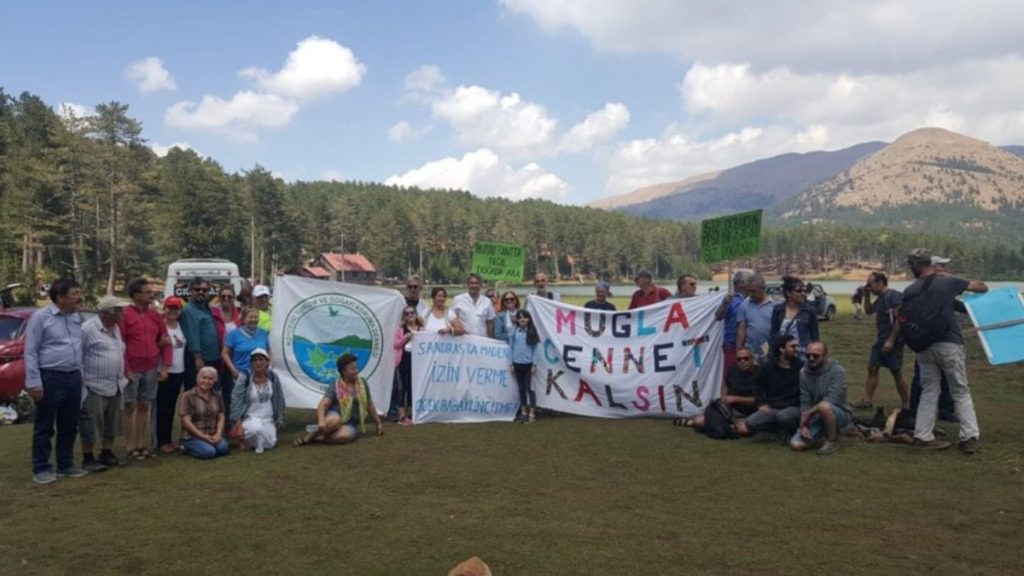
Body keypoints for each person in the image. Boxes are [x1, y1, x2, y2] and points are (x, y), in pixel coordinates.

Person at [889, 249, 987, 453]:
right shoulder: (946, 282)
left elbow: (901, 318)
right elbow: (981, 288)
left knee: (929, 390)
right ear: (931, 264)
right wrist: (953, 278)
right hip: (949, 342)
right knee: (960, 390)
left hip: (923, 346)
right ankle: (969, 436)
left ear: (915, 266)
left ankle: (923, 435)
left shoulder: (910, 290)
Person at [25, 278, 86, 484]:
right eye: (75, 293)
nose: (79, 297)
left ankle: (65, 464)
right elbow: (31, 351)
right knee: (45, 425)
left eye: (79, 292)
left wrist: (81, 374)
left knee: (69, 423)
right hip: (50, 377)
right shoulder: (41, 317)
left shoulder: (77, 317)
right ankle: (41, 467)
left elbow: (79, 347)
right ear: (60, 297)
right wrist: (34, 382)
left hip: (73, 376)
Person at [119, 277, 170, 461]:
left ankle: (142, 443)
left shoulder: (155, 315)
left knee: (144, 405)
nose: (152, 295)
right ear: (136, 295)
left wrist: (165, 366)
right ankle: (130, 445)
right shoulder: (125, 315)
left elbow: (166, 341)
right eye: (147, 292)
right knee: (129, 406)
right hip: (132, 367)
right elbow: (121, 344)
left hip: (150, 367)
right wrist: (126, 369)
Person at [78, 296, 129, 472]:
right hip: (94, 384)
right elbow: (78, 355)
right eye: (118, 310)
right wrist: (82, 379)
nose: (122, 314)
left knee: (112, 421)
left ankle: (106, 452)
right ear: (107, 312)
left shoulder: (116, 328)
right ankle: (88, 457)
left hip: (115, 383)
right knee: (90, 421)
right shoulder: (87, 329)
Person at [294, 353, 384, 446]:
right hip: (335, 414)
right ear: (343, 371)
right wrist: (321, 420)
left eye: (356, 368)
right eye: (352, 369)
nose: (356, 371)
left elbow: (369, 405)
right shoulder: (335, 385)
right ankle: (307, 438)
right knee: (334, 421)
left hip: (351, 422)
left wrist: (378, 422)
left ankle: (321, 437)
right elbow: (323, 405)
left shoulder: (363, 383)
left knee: (344, 436)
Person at [856, 272, 909, 410]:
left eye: (870, 284)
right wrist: (866, 294)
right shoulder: (880, 299)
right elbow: (868, 311)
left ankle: (906, 404)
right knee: (872, 368)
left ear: (880, 283)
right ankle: (867, 401)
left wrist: (891, 340)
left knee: (896, 372)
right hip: (880, 339)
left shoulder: (893, 296)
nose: (869, 287)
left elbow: (901, 319)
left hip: (893, 340)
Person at [789, 342, 852, 455]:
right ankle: (819, 433)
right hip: (815, 416)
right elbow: (805, 400)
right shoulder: (803, 373)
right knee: (796, 444)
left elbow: (832, 399)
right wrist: (804, 425)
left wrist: (808, 413)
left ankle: (831, 440)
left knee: (824, 406)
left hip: (839, 412)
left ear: (826, 355)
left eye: (816, 355)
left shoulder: (838, 372)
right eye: (808, 356)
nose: (811, 358)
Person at [734, 335, 802, 437]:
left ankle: (794, 433)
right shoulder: (768, 367)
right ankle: (777, 431)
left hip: (794, 407)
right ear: (782, 349)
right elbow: (758, 387)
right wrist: (761, 404)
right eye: (792, 346)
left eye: (796, 346)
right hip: (774, 407)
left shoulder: (801, 366)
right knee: (750, 422)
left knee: (783, 416)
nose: (796, 349)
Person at [675, 346, 759, 428]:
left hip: (748, 413)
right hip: (729, 410)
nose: (742, 361)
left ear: (752, 359)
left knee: (743, 430)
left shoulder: (760, 374)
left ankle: (723, 426)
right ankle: (727, 426)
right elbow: (725, 384)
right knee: (699, 422)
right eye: (739, 359)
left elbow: (759, 400)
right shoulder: (733, 370)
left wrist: (735, 399)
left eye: (746, 358)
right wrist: (724, 397)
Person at [229, 348, 284, 453]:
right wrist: (238, 423)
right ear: (251, 363)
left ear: (267, 362)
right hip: (250, 417)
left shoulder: (273, 377)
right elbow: (236, 401)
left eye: (261, 359)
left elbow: (279, 398)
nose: (258, 363)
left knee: (271, 443)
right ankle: (245, 438)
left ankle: (251, 442)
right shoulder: (244, 379)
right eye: (255, 360)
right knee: (256, 429)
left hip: (268, 418)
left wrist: (279, 417)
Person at [156, 296, 187, 454]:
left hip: (179, 371)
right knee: (163, 408)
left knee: (172, 407)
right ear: (164, 308)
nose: (172, 311)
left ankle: (168, 439)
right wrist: (161, 344)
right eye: (170, 308)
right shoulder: (160, 326)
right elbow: (154, 347)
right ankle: (161, 441)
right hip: (165, 372)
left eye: (176, 308)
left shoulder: (180, 326)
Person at [177, 366, 229, 459]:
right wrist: (203, 436)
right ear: (198, 379)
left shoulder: (217, 395)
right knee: (209, 452)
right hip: (193, 436)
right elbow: (185, 421)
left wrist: (218, 433)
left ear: (214, 381)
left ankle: (207, 445)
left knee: (223, 448)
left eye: (210, 379)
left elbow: (221, 416)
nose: (206, 381)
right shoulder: (187, 396)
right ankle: (186, 447)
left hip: (212, 434)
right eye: (204, 378)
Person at [181, 276, 222, 386]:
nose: (201, 292)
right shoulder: (188, 310)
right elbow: (192, 336)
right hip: (199, 359)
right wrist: (198, 358)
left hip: (213, 358)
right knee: (196, 392)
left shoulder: (207, 308)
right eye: (197, 289)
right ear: (190, 291)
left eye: (205, 290)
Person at [769, 275, 820, 361]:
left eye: (804, 290)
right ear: (788, 293)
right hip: (782, 353)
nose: (803, 293)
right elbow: (774, 333)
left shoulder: (809, 310)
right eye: (798, 291)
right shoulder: (778, 309)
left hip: (802, 355)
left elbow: (815, 335)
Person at [715, 270, 751, 377]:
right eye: (750, 281)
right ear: (742, 284)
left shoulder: (751, 301)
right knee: (731, 375)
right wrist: (724, 304)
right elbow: (718, 317)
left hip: (748, 345)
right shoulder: (731, 300)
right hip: (732, 344)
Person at [392, 305, 424, 425]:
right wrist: (405, 338)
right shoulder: (401, 330)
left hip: (416, 362)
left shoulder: (422, 329)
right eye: (407, 313)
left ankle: (411, 414)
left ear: (416, 314)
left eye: (412, 313)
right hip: (403, 361)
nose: (410, 315)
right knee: (401, 388)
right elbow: (395, 345)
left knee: (412, 388)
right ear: (404, 317)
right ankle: (401, 416)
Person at [508, 309, 540, 423]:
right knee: (521, 389)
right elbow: (511, 348)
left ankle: (532, 412)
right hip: (517, 364)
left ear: (529, 319)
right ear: (517, 320)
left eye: (525, 317)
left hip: (528, 365)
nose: (522, 319)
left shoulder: (531, 332)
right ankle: (523, 412)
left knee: (529, 389)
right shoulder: (514, 332)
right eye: (520, 317)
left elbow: (535, 350)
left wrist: (534, 365)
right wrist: (511, 363)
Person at [736, 273, 774, 363]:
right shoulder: (744, 305)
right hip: (751, 353)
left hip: (770, 352)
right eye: (749, 291)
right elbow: (741, 329)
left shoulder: (775, 305)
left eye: (753, 291)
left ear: (762, 289)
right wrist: (739, 348)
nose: (750, 294)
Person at [451, 273, 495, 338]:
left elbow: (490, 323)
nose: (474, 285)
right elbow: (451, 317)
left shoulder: (487, 301)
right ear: (468, 284)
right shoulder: (458, 299)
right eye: (472, 283)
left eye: (477, 283)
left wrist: (491, 339)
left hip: (482, 341)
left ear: (480, 285)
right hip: (464, 340)